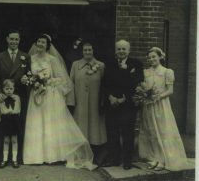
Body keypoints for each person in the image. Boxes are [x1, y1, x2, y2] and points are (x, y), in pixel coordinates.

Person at [23, 34, 96, 171]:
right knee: (37, 123)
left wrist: (47, 81)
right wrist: (34, 82)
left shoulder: (52, 60)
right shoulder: (30, 59)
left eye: (43, 42)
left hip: (49, 95)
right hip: (36, 95)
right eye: (38, 41)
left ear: (47, 45)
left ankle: (52, 156)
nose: (40, 44)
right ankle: (35, 156)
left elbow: (62, 79)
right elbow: (28, 76)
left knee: (50, 124)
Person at [138, 47, 188, 171]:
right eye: (149, 57)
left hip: (161, 105)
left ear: (160, 57)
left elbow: (170, 91)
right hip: (149, 105)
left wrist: (157, 96)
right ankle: (155, 158)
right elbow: (143, 88)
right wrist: (144, 94)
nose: (151, 59)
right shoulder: (146, 72)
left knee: (162, 131)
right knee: (151, 132)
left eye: (154, 56)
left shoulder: (167, 71)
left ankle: (164, 159)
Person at [102, 40, 144, 170]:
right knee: (112, 132)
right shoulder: (109, 64)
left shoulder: (136, 64)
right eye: (119, 49)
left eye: (123, 49)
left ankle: (127, 161)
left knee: (127, 133)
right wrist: (110, 97)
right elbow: (104, 83)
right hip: (112, 104)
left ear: (128, 50)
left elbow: (138, 82)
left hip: (128, 105)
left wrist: (123, 99)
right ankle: (114, 159)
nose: (121, 51)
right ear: (116, 51)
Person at [0, 29, 30, 164]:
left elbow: (29, 75)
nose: (14, 42)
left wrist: (26, 80)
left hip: (18, 98)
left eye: (17, 39)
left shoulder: (25, 57)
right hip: (4, 98)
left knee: (18, 128)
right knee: (3, 129)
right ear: (7, 39)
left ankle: (16, 157)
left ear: (19, 41)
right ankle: (3, 158)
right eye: (12, 39)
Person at [70, 42, 107, 165]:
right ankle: (82, 153)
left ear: (93, 51)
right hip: (80, 102)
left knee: (95, 126)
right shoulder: (75, 65)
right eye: (85, 50)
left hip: (94, 102)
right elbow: (71, 84)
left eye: (89, 50)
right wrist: (71, 102)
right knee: (81, 125)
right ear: (82, 51)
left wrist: (102, 102)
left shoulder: (100, 66)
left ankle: (96, 153)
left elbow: (104, 86)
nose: (87, 52)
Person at [0, 79, 21, 168]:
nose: (9, 91)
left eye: (11, 89)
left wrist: (12, 111)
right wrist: (7, 111)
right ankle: (4, 159)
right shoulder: (1, 99)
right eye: (7, 89)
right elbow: (0, 111)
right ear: (3, 89)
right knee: (6, 140)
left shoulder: (17, 98)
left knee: (14, 140)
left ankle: (15, 159)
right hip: (5, 121)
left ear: (14, 89)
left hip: (14, 120)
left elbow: (18, 110)